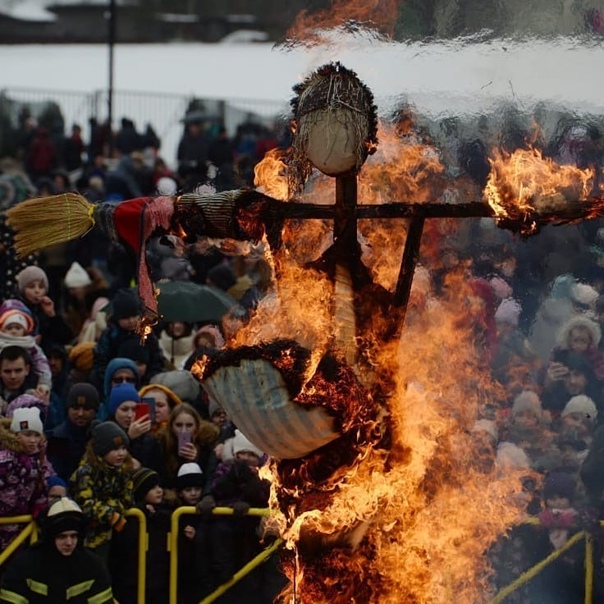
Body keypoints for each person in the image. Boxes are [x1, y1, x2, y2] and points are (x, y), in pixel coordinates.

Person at [196, 430, 270, 603]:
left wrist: (250, 485)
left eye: (250, 454)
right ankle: (222, 576)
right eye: (241, 453)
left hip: (251, 526)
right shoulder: (225, 468)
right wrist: (232, 476)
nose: (245, 457)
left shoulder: (265, 473)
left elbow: (264, 496)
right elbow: (217, 489)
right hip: (224, 520)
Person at [0, 497, 114, 603]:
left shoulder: (92, 566)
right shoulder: (24, 566)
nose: (69, 543)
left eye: (74, 536)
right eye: (62, 537)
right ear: (50, 537)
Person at [69, 420, 134, 561]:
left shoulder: (124, 471)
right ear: (101, 450)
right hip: (87, 538)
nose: (121, 453)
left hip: (114, 536)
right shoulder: (86, 472)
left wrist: (109, 509)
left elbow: (128, 500)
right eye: (115, 449)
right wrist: (111, 515)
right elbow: (85, 504)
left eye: (123, 448)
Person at [110, 467, 170, 604]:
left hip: (159, 581)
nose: (159, 490)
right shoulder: (133, 516)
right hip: (134, 582)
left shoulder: (167, 513)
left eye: (159, 486)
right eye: (153, 487)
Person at [0, 406, 54, 551]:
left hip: (20, 526)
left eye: (36, 435)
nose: (32, 440)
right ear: (15, 434)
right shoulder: (5, 460)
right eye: (27, 434)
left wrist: (40, 509)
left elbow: (38, 489)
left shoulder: (36, 460)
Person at [92, 288, 164, 387]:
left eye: (134, 316)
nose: (131, 321)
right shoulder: (110, 335)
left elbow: (156, 359)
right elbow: (101, 362)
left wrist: (149, 380)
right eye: (126, 318)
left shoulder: (147, 333)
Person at [46, 383, 100, 481]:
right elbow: (57, 475)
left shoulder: (102, 436)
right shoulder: (57, 438)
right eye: (75, 408)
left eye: (86, 409)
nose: (80, 414)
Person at [157, 403, 219, 489]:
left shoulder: (207, 443)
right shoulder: (161, 444)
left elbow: (209, 476)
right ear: (171, 426)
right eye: (179, 425)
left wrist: (196, 460)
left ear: (197, 426)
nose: (183, 430)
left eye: (189, 425)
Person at [0, 300, 52, 400]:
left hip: (28, 386)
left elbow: (42, 366)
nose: (14, 331)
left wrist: (44, 384)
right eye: (9, 328)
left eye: (18, 328)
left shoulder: (31, 346)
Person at [107, 382, 162, 472]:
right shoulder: (104, 433)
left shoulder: (149, 440)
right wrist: (129, 438)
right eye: (124, 409)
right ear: (114, 411)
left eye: (134, 409)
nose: (130, 415)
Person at [15, 265, 73, 348]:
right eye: (31, 287)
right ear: (23, 290)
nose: (37, 291)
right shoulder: (15, 309)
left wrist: (52, 315)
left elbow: (66, 338)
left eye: (41, 287)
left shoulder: (46, 307)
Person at [0, 346, 38, 417]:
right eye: (7, 371)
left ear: (27, 370)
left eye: (18, 371)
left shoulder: (40, 395)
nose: (13, 376)